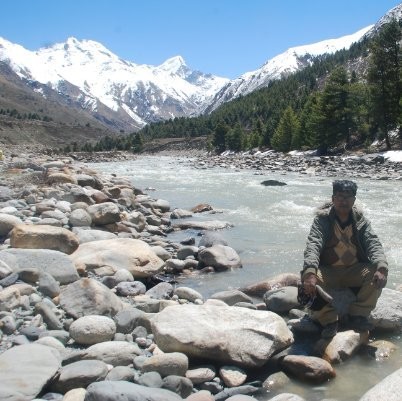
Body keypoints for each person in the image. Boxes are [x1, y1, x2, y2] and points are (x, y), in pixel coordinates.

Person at [301, 180, 388, 338]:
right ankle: (329, 320)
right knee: (308, 279)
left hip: (354, 270)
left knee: (376, 271)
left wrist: (382, 267)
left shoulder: (361, 221)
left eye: (348, 197)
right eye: (340, 197)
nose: (343, 201)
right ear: (333, 198)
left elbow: (373, 243)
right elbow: (313, 244)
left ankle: (358, 315)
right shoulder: (322, 220)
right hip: (328, 271)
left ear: (354, 200)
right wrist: (310, 272)